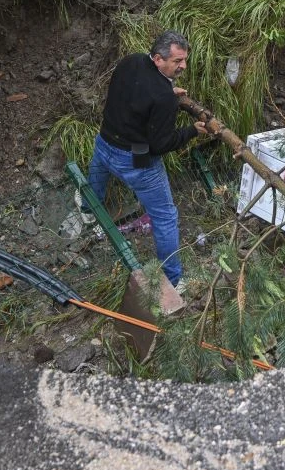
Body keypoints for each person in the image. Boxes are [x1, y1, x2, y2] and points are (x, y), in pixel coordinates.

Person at [86, 31, 207, 289]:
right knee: (164, 216)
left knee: (98, 173)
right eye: (177, 61)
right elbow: (161, 144)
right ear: (157, 59)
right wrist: (192, 131)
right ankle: (173, 280)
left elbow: (138, 94)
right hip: (134, 157)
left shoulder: (131, 61)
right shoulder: (162, 99)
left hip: (105, 141)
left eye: (184, 59)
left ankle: (88, 210)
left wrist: (168, 89)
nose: (183, 66)